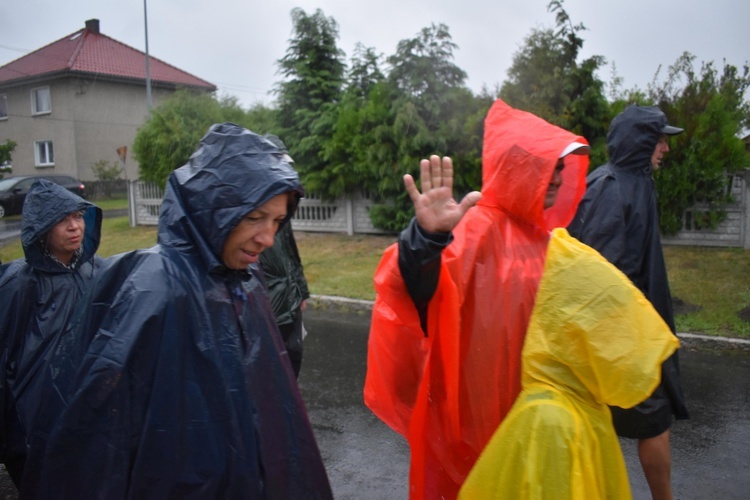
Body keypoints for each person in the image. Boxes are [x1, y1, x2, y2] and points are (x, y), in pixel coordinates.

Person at [21, 124, 333, 499]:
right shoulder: (152, 290)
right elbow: (96, 446)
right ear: (213, 207)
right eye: (254, 218)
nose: (268, 237)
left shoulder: (245, 279)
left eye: (278, 221)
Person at [364, 98, 590, 499]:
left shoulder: (549, 242)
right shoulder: (474, 229)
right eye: (548, 164)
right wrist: (425, 239)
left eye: (561, 166)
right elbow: (407, 289)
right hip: (470, 432)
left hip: (535, 425)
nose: (557, 176)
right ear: (519, 166)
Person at [458, 227, 680, 499]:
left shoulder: (587, 405)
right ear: (576, 334)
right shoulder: (552, 421)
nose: (618, 344)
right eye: (606, 327)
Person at [567, 104, 689, 500]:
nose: (665, 149)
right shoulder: (610, 188)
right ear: (639, 141)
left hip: (633, 328)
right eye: (659, 139)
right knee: (652, 419)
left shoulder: (634, 182)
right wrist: (631, 339)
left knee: (624, 419)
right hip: (619, 334)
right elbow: (601, 272)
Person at [0, 179, 102, 486]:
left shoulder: (94, 272)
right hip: (35, 420)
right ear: (43, 227)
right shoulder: (20, 284)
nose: (74, 227)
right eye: (63, 219)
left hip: (85, 408)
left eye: (79, 216)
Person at [259, 135, 310, 379]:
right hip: (268, 307)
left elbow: (292, 252)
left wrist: (301, 291)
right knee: (271, 373)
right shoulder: (252, 207)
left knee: (293, 358)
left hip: (290, 302)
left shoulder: (282, 207)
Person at [259, 222, 310, 378]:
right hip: (266, 303)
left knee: (294, 353)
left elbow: (291, 252)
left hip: (291, 298)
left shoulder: (281, 213)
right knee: (268, 365)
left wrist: (301, 290)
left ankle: (290, 399)